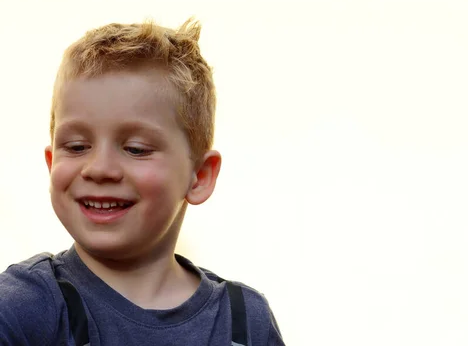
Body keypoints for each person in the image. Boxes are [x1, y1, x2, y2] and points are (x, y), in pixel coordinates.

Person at [0, 18, 285, 345]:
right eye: (77, 147)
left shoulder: (246, 322)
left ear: (200, 176)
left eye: (135, 149)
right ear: (52, 165)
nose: (99, 168)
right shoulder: (21, 310)